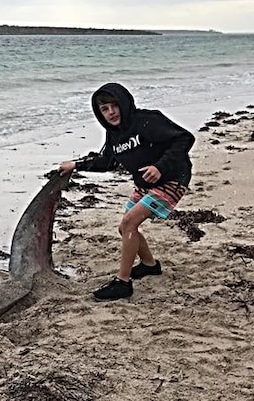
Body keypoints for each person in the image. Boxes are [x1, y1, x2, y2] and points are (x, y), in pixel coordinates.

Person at [59, 82, 195, 301]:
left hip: (172, 179)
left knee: (131, 223)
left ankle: (123, 283)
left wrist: (160, 167)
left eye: (114, 106)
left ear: (124, 103)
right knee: (125, 227)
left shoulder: (147, 121)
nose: (111, 113)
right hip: (145, 185)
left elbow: (184, 138)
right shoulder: (114, 135)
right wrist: (76, 165)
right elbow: (108, 162)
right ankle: (150, 265)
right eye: (104, 109)